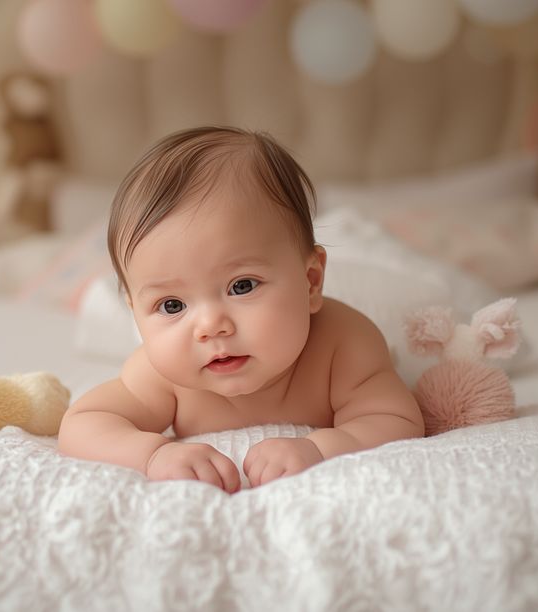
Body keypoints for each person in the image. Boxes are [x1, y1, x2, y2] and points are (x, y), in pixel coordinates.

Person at [57, 126, 425, 492]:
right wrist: (152, 455)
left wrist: (320, 449)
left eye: (242, 286)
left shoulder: (343, 345)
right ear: (136, 314)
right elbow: (83, 423)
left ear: (311, 281)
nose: (210, 326)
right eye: (172, 305)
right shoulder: (161, 377)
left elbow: (394, 419)